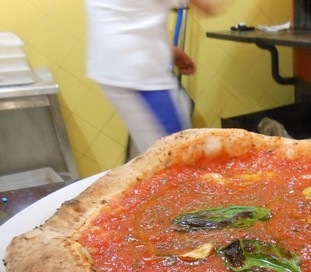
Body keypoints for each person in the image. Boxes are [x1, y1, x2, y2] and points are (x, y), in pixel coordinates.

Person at [84, 0, 220, 158]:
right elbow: (208, 6)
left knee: (154, 153)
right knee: (176, 154)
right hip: (139, 74)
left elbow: (133, 12)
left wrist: (168, 50)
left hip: (125, 66)